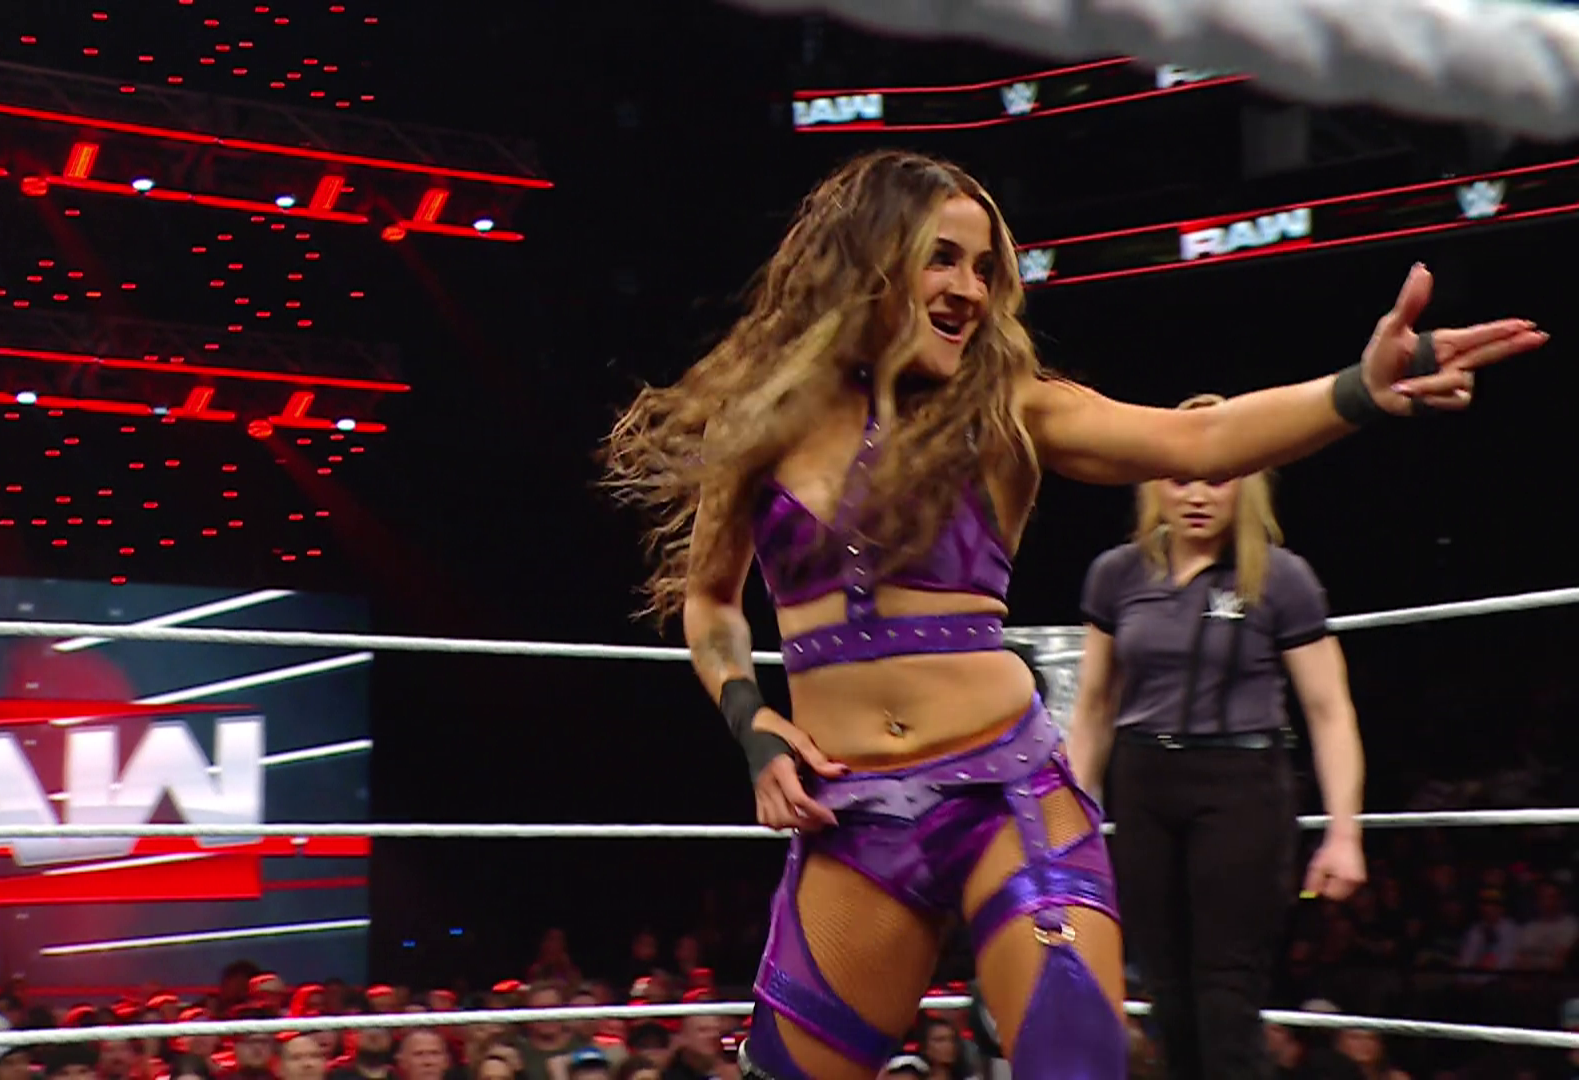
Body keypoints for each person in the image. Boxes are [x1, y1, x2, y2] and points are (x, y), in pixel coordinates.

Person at [601, 148, 1544, 1080]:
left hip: (1007, 796)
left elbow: (1200, 437)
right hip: (852, 816)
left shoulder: (1009, 407)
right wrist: (752, 722)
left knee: (1076, 1060)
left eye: (984, 269)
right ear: (869, 259)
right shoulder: (762, 421)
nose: (968, 290)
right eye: (941, 258)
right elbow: (712, 601)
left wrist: (1359, 391)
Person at [1065, 392, 1371, 1080]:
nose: (1198, 495)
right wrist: (1072, 813)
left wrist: (1344, 832)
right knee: (1165, 991)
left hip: (1241, 787)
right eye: (1181, 478)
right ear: (1155, 483)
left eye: (1218, 477)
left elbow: (1329, 710)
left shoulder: (1281, 577)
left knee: (1226, 993)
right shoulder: (1118, 574)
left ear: (1245, 482)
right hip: (1144, 782)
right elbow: (1093, 706)